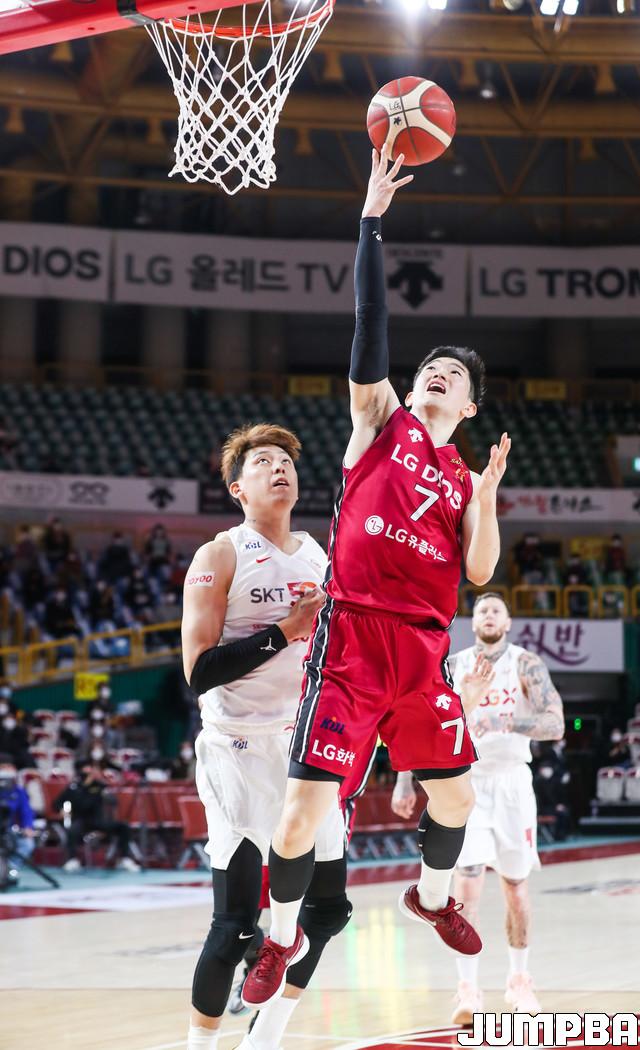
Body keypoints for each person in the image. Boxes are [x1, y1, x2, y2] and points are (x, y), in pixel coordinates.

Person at [242, 145, 510, 1011]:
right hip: (354, 639)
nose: (440, 373)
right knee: (300, 816)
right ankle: (277, 940)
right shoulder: (380, 421)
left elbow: (480, 572)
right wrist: (370, 220)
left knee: (457, 802)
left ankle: (430, 898)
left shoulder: (464, 479)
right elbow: (371, 326)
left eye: (455, 376)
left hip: (423, 652)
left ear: (469, 406)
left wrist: (489, 498)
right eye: (434, 367)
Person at [181, 423, 351, 1050]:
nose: (279, 468)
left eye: (286, 461)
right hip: (238, 746)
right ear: (238, 489)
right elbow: (198, 671)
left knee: (329, 910)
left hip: (305, 743)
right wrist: (284, 630)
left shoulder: (318, 556)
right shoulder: (220, 555)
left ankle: (265, 1037)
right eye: (263, 463)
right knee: (233, 925)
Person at [392, 592, 564, 1023]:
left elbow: (556, 723)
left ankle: (519, 981)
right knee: (466, 887)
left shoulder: (526, 664)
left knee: (516, 888)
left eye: (496, 610)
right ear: (473, 623)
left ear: (507, 623)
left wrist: (503, 721)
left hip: (513, 783)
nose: (488, 615)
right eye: (482, 609)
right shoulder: (453, 665)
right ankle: (468, 989)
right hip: (467, 782)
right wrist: (403, 780)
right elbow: (419, 722)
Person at [55, 760, 139, 872]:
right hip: (80, 820)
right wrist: (62, 809)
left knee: (123, 827)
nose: (91, 771)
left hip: (97, 820)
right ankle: (72, 859)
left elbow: (114, 801)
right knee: (72, 830)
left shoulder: (99, 786)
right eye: (88, 768)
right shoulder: (73, 787)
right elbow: (57, 803)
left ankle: (124, 858)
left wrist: (106, 790)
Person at [0, 760, 36, 886]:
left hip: (8, 830)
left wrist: (28, 827)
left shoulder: (19, 791)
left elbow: (26, 811)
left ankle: (10, 869)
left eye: (9, 767)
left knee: (27, 844)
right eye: (3, 767)